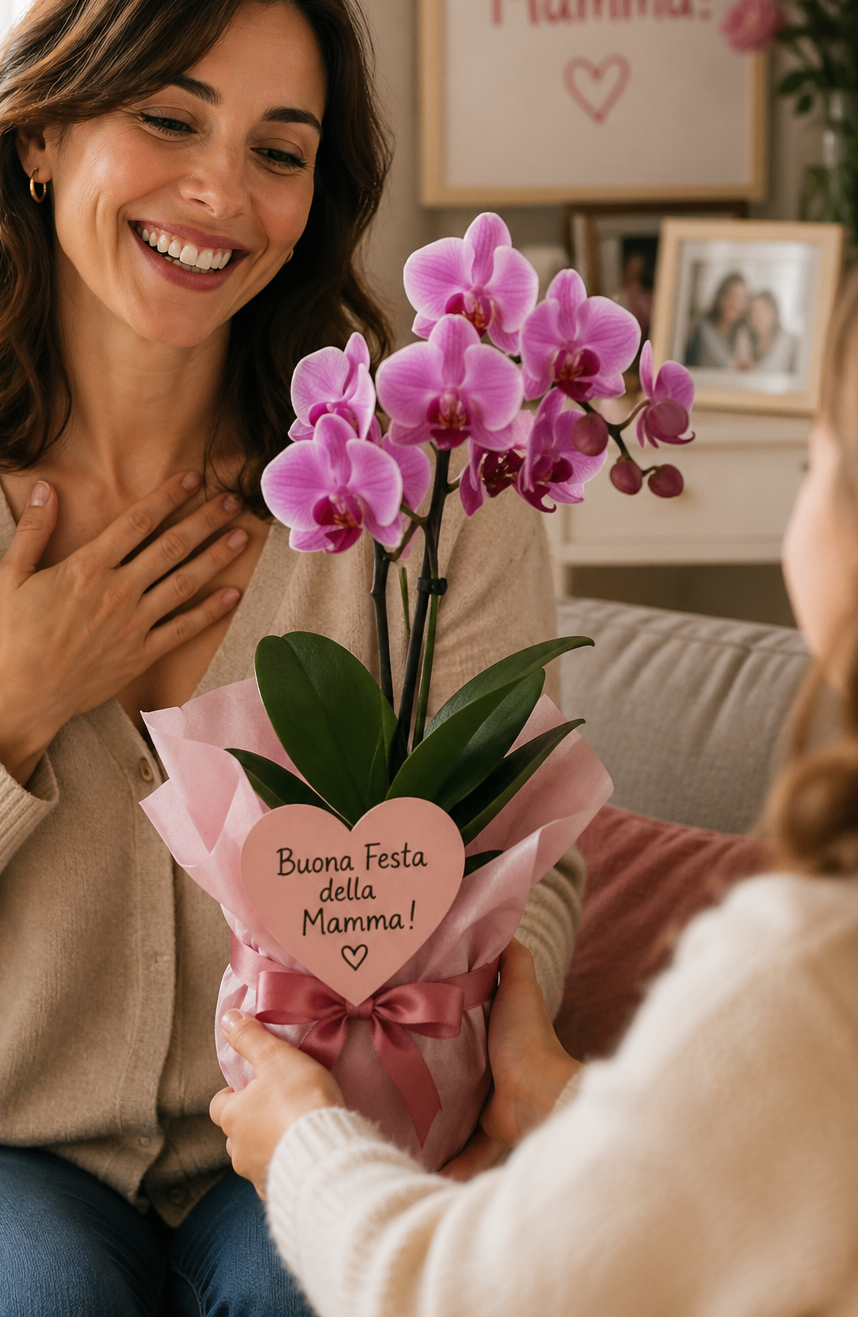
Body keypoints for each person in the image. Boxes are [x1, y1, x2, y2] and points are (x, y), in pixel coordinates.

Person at [0, 0, 581, 1317]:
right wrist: (3, 720)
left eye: (277, 152)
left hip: (322, 1126)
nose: (221, 194)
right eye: (168, 121)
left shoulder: (422, 482)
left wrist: (524, 1035)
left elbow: (519, 845)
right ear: (42, 136)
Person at [210, 269, 858, 1317]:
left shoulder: (805, 974)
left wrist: (300, 1138)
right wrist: (553, 1095)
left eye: (812, 459)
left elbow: (453, 1291)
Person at [684, 270, 750, 368]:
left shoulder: (742, 333)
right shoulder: (701, 326)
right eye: (731, 295)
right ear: (721, 297)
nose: (735, 302)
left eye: (741, 298)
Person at [747, 288, 801, 375]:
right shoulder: (748, 342)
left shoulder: (787, 341)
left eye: (763, 311)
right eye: (754, 312)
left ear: (773, 313)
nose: (757, 317)